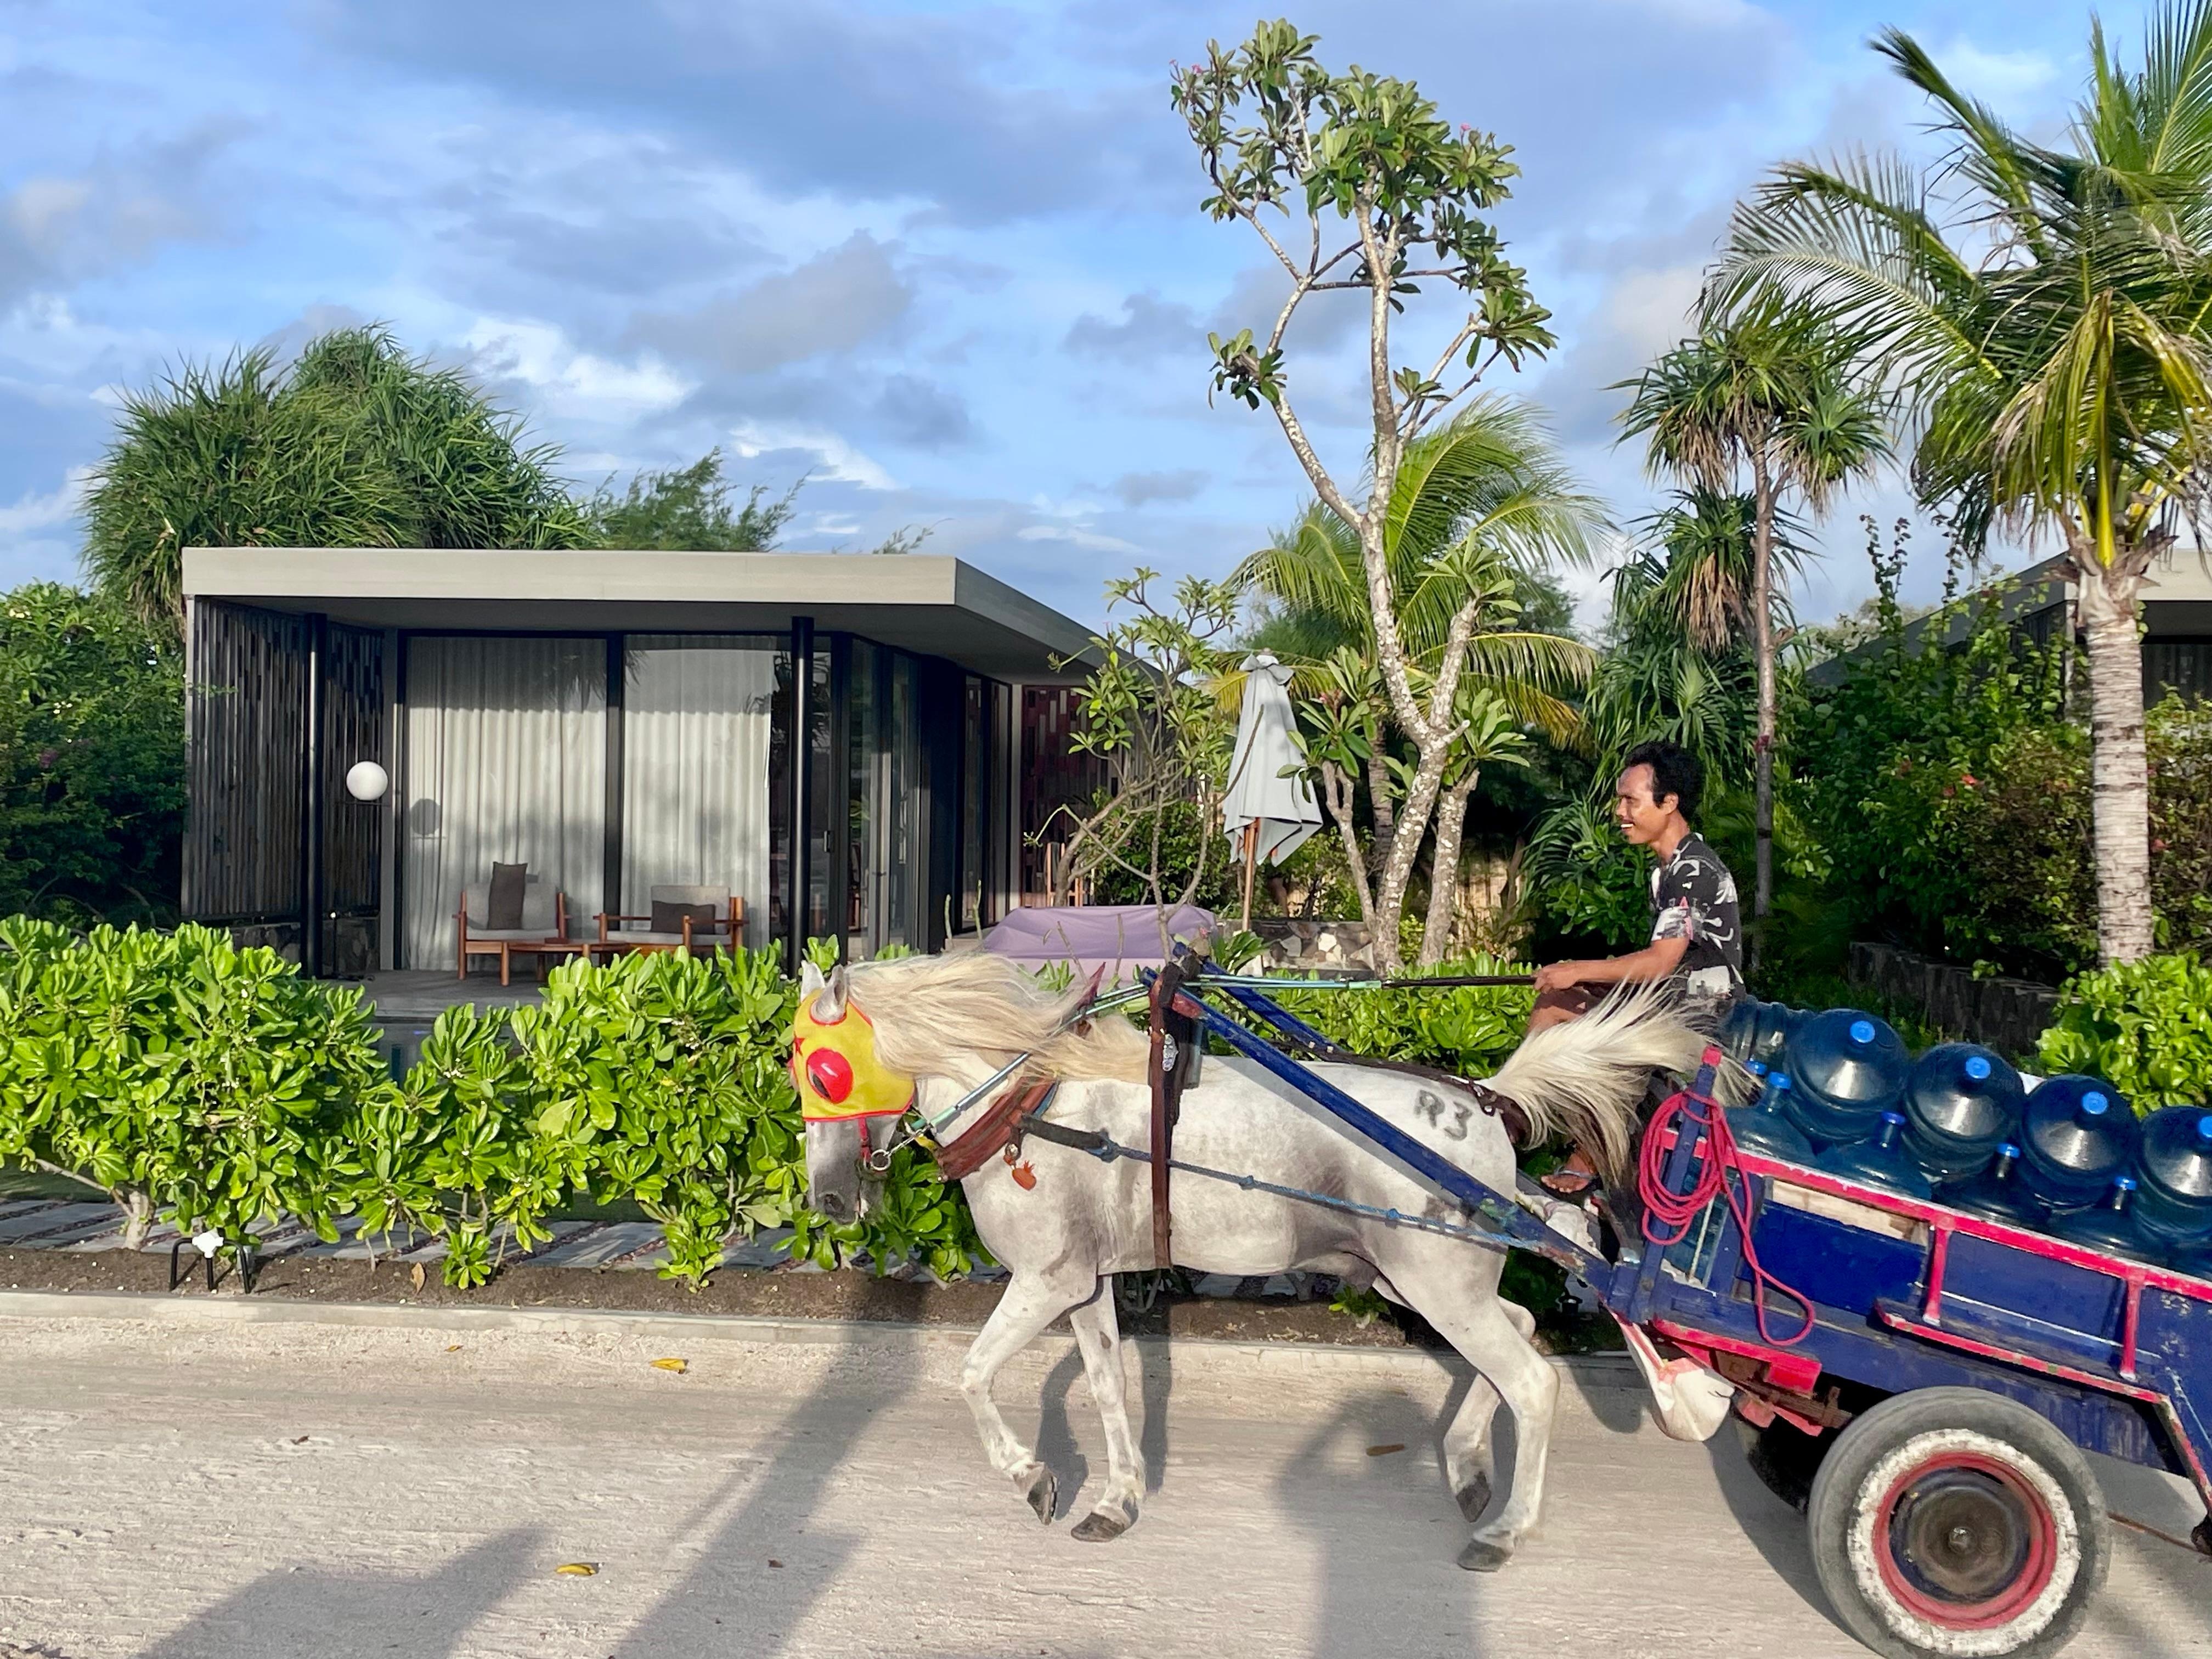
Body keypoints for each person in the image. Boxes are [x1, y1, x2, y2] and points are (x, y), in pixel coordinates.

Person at [1533, 740, 1743, 1194]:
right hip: (1668, 1002)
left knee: (1602, 1032)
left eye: (1631, 800)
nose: (1619, 811)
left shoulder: (1693, 871)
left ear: (1669, 803)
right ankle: (1518, 1117)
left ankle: (1589, 1157)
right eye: (1619, 799)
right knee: (1554, 1005)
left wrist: (1577, 968)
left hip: (1699, 1019)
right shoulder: (1668, 869)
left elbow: (1660, 961)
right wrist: (1579, 977)